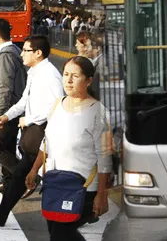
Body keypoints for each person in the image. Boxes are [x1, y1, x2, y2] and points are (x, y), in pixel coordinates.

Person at [0, 35, 63, 226]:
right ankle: (1, 213)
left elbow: (56, 105)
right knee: (18, 177)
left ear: (38, 53)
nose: (22, 54)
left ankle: (2, 213)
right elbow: (25, 100)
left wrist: (29, 119)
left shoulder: (50, 75)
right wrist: (6, 116)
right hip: (32, 132)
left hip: (41, 133)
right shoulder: (34, 72)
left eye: (26, 50)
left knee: (21, 175)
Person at [26, 56, 113, 241]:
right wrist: (34, 170)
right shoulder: (57, 105)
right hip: (54, 183)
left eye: (75, 76)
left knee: (60, 235)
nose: (68, 80)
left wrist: (102, 195)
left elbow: (105, 157)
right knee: (59, 234)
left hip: (83, 188)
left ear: (89, 80)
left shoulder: (98, 112)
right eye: (66, 74)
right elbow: (46, 142)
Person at [0, 19, 27, 194]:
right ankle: (8, 183)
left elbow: (5, 88)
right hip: (14, 109)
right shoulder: (13, 51)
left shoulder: (5, 55)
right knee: (8, 147)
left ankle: (26, 178)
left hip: (8, 111)